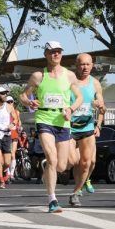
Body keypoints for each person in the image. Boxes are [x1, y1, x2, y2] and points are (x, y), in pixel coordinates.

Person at [19, 41, 83, 213]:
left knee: (61, 166)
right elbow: (22, 96)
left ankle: (47, 168)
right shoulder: (38, 76)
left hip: (62, 121)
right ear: (46, 54)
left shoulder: (69, 75)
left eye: (58, 52)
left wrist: (71, 108)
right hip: (44, 118)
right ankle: (52, 200)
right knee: (53, 159)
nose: (56, 54)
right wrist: (30, 101)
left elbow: (79, 97)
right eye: (52, 52)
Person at [65, 53, 105, 207]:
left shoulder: (95, 83)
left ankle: (75, 193)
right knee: (72, 161)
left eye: (88, 64)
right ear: (76, 65)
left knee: (87, 163)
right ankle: (54, 165)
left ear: (92, 65)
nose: (85, 67)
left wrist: (99, 124)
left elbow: (102, 107)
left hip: (87, 127)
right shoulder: (69, 81)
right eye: (82, 64)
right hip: (69, 127)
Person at [6, 95, 21, 182]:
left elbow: (19, 122)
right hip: (6, 134)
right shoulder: (4, 111)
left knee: (12, 153)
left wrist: (20, 127)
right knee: (7, 154)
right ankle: (7, 173)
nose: (10, 103)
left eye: (11, 101)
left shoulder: (16, 112)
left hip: (14, 134)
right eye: (8, 102)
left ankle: (11, 173)